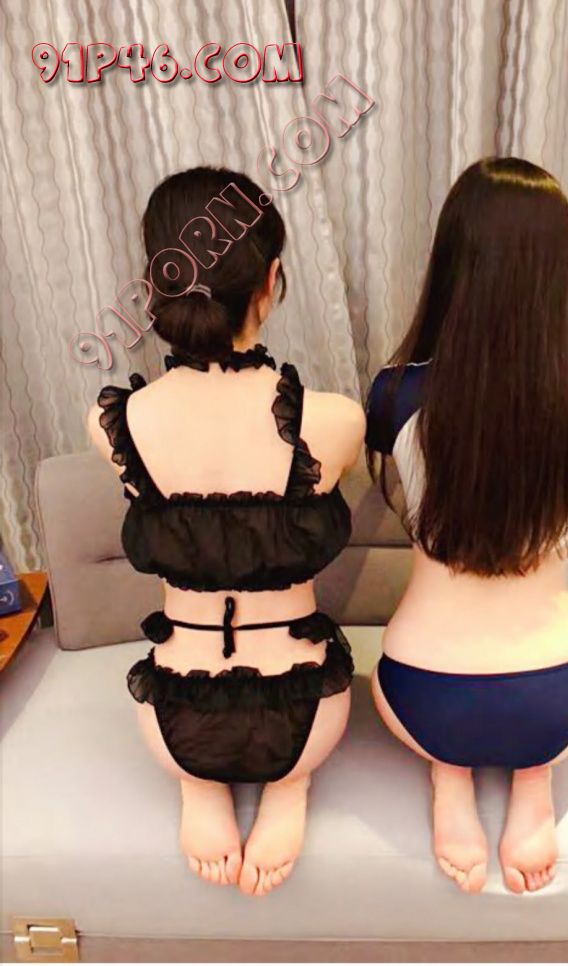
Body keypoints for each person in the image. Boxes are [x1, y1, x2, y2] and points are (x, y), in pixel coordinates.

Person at [88, 166, 365, 895]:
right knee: (298, 749)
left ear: (157, 284)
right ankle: (289, 783)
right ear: (271, 281)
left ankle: (199, 782)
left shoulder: (115, 424)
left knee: (191, 749)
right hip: (305, 708)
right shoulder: (334, 421)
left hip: (175, 712)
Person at [365, 157, 568, 895]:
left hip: (421, 693)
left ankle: (448, 774)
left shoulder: (394, 394)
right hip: (560, 696)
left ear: (453, 261)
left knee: (443, 737)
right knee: (535, 734)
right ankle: (532, 777)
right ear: (560, 270)